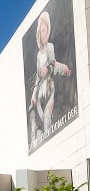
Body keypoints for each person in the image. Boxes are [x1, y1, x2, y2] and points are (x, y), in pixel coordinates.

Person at [29, 11, 72, 145]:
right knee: (43, 121)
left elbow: (53, 64)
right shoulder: (38, 54)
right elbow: (37, 76)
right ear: (38, 33)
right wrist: (34, 95)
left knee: (47, 119)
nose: (43, 33)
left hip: (49, 89)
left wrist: (62, 69)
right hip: (40, 93)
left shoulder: (50, 47)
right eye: (41, 31)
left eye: (45, 30)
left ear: (48, 30)